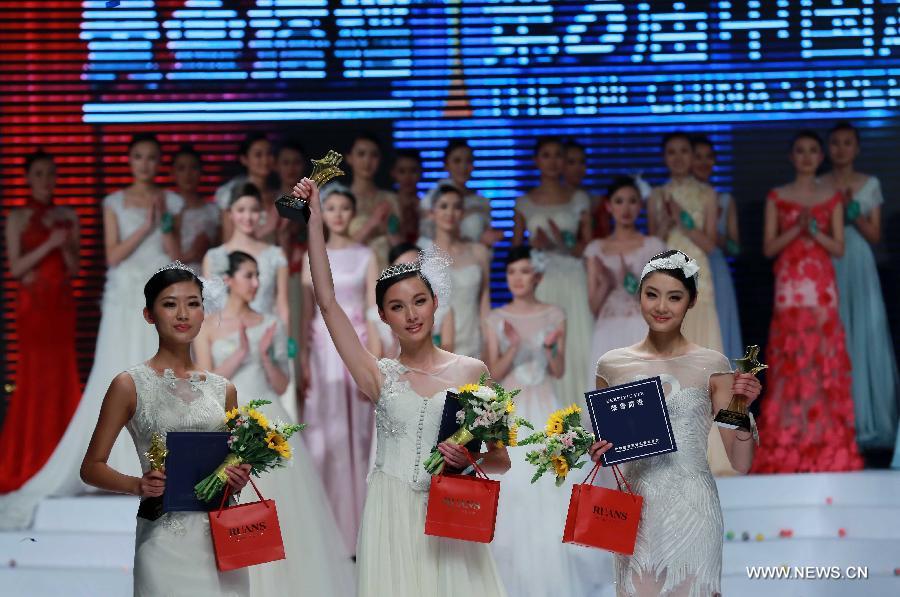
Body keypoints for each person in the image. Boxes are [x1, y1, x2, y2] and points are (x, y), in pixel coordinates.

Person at [292, 176, 509, 597]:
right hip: (389, 515)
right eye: (397, 307)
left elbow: (500, 460)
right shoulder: (379, 375)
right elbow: (327, 302)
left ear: (435, 304)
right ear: (382, 316)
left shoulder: (472, 372)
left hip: (450, 511)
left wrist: (468, 458)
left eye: (419, 302)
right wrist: (314, 220)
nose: (411, 315)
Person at [0, 134, 184, 528]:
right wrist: (147, 225)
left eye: (152, 158)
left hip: (161, 293)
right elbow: (113, 254)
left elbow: (175, 251)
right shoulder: (113, 203)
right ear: (129, 160)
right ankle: (112, 460)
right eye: (138, 157)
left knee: (161, 376)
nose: (145, 164)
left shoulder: (173, 201)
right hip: (124, 298)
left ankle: (160, 459)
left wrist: (164, 224)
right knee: (118, 373)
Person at [587, 249, 762, 597]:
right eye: (652, 294)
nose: (661, 306)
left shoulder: (712, 363)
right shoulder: (612, 366)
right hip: (636, 509)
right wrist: (598, 451)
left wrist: (741, 410)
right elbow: (613, 454)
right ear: (639, 295)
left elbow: (741, 462)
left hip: (694, 508)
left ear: (692, 301)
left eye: (674, 297)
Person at [80, 263, 253, 597]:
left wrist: (239, 476)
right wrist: (137, 484)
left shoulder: (223, 389)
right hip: (163, 539)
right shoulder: (129, 384)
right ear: (149, 315)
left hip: (221, 540)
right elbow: (91, 467)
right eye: (170, 304)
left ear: (204, 312)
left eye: (193, 303)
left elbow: (234, 460)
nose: (183, 313)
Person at [193, 251, 355, 596]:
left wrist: (264, 356)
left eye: (257, 276)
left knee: (280, 504)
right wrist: (239, 353)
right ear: (230, 280)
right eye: (248, 275)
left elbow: (282, 385)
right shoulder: (208, 325)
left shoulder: (270, 323)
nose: (255, 283)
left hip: (269, 421)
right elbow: (206, 383)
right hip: (228, 418)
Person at [751, 131, 863, 473]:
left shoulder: (832, 197)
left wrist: (814, 231)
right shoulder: (777, 196)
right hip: (789, 289)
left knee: (823, 362)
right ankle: (790, 440)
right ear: (792, 156)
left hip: (821, 290)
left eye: (813, 151)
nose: (807, 156)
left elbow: (839, 248)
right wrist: (797, 229)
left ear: (820, 156)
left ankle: (825, 442)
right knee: (791, 362)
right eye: (800, 151)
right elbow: (769, 248)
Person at [484, 247, 573, 596]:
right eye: (512, 273)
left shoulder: (555, 314)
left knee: (548, 488)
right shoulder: (495, 318)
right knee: (513, 489)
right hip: (512, 412)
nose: (518, 279)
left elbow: (559, 370)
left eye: (524, 271)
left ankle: (549, 570)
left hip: (545, 406)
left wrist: (550, 347)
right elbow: (492, 378)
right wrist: (515, 345)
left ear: (537, 276)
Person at [299, 184, 380, 554]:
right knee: (324, 436)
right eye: (330, 207)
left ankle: (363, 528)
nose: (338, 213)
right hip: (321, 346)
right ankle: (325, 532)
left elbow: (374, 310)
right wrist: (300, 356)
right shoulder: (309, 256)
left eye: (344, 207)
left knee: (360, 434)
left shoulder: (367, 255)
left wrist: (377, 360)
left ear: (353, 212)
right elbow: (305, 313)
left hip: (358, 344)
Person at [0, 150, 81, 492]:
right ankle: (30, 457)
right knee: (34, 379)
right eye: (39, 174)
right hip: (33, 309)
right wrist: (49, 241)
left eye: (51, 174)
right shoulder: (17, 217)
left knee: (63, 376)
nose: (46, 181)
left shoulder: (68, 215)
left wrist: (62, 246)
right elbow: (16, 268)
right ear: (28, 178)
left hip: (60, 307)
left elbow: (74, 268)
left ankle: (62, 460)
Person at [822, 122, 899, 453]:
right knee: (833, 332)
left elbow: (876, 235)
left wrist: (852, 212)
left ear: (857, 148)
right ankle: (834, 418)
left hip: (859, 259)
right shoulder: (818, 184)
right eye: (836, 143)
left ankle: (868, 419)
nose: (841, 148)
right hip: (827, 260)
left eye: (847, 143)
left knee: (863, 332)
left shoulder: (870, 184)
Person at [513, 137, 593, 409]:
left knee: (577, 343)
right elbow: (516, 252)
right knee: (546, 342)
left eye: (558, 155)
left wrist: (562, 243)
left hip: (573, 278)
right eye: (546, 155)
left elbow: (589, 247)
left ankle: (581, 415)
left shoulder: (579, 198)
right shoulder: (524, 202)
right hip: (542, 280)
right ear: (536, 160)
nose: (552, 161)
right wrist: (532, 247)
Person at [584, 176, 666, 367]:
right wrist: (607, 283)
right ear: (609, 206)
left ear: (640, 206)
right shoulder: (595, 249)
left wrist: (631, 283)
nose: (626, 208)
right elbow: (593, 308)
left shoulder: (653, 247)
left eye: (632, 201)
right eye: (619, 201)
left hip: (641, 326)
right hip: (608, 329)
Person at [419, 184, 491, 358]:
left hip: (473, 340)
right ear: (432, 212)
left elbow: (484, 301)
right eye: (444, 206)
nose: (450, 213)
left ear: (463, 213)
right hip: (436, 342)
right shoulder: (422, 253)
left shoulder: (479, 252)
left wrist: (489, 343)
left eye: (456, 207)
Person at [204, 182, 289, 326]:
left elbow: (282, 306)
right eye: (241, 210)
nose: (248, 217)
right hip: (226, 338)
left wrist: (285, 344)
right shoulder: (213, 257)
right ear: (230, 213)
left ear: (261, 213)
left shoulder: (276, 255)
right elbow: (209, 308)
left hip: (266, 336)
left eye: (254, 210)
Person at [690, 136, 744, 361]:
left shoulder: (723, 200)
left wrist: (715, 234)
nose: (703, 162)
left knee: (719, 325)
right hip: (688, 264)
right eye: (698, 157)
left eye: (708, 157)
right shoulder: (676, 197)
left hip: (716, 268)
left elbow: (735, 248)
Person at [420, 140, 503, 247]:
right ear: (446, 165)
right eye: (457, 161)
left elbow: (487, 242)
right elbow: (427, 235)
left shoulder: (482, 201)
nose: (463, 167)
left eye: (468, 161)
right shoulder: (431, 198)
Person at [345, 132, 401, 268]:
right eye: (361, 154)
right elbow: (338, 249)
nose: (367, 161)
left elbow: (399, 243)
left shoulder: (390, 199)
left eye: (374, 155)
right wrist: (372, 223)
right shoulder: (341, 200)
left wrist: (390, 227)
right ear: (349, 158)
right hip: (353, 273)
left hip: (387, 272)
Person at [215, 133, 282, 244]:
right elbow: (228, 240)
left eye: (269, 154)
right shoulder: (230, 194)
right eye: (258, 155)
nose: (265, 160)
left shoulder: (279, 196)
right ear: (244, 159)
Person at [172, 145, 219, 274]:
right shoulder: (165, 209)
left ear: (201, 171)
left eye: (193, 167)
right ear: (173, 173)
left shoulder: (213, 211)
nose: (188, 174)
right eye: (181, 168)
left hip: (203, 276)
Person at [564, 140, 610, 239]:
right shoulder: (552, 202)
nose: (578, 168)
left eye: (582, 162)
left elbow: (606, 237)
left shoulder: (599, 202)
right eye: (571, 162)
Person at [390, 149, 423, 244]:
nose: (407, 177)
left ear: (421, 173)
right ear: (393, 173)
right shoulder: (388, 205)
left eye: (413, 171)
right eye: (402, 171)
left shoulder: (427, 205)